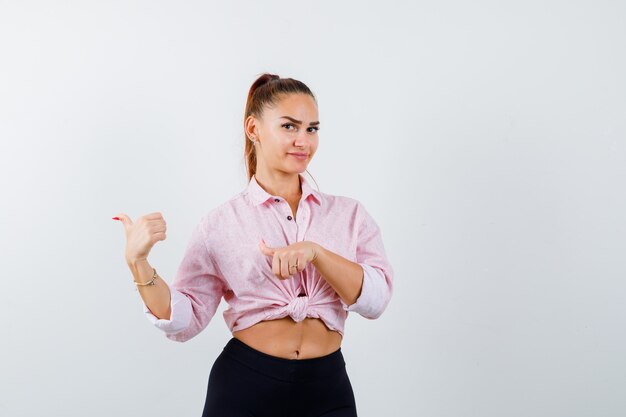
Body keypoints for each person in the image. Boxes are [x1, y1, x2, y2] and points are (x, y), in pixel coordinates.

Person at [114, 73, 394, 417]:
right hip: (246, 387)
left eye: (312, 129)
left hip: (327, 388)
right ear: (253, 129)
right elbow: (185, 320)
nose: (303, 140)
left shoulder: (349, 215)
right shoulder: (219, 224)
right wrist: (138, 262)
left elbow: (376, 300)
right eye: (289, 127)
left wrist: (316, 253)